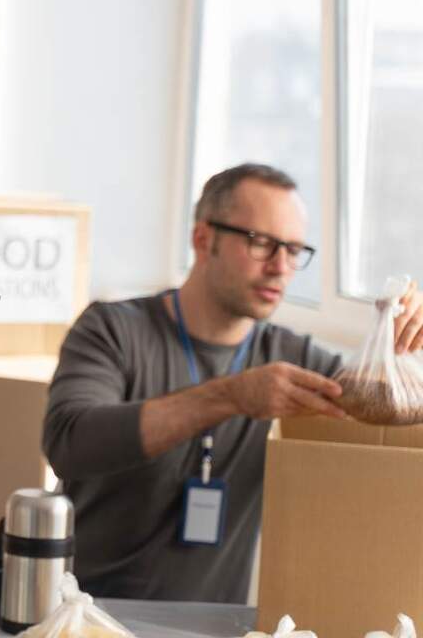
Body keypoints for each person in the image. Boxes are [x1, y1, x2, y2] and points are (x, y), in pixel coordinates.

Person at [42, 163, 423, 602]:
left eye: (295, 249)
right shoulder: (112, 329)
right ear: (204, 239)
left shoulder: (293, 357)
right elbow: (68, 442)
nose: (281, 267)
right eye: (262, 244)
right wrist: (230, 395)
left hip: (215, 626)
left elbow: (386, 413)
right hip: (85, 615)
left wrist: (404, 341)